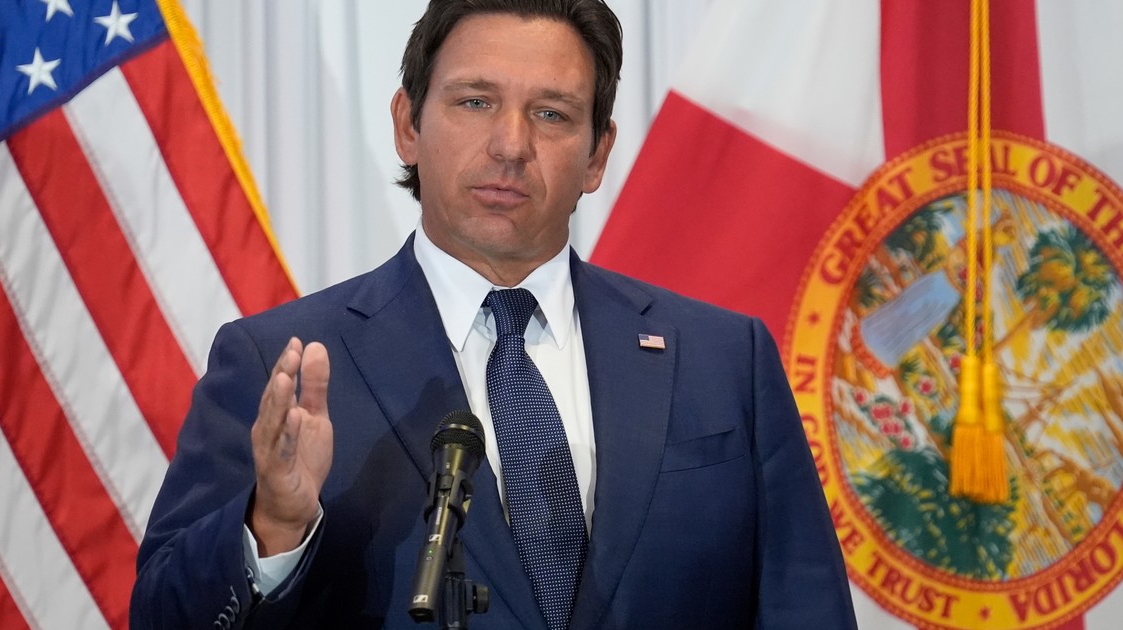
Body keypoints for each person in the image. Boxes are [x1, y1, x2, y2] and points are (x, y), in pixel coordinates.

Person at [129, 0, 857, 628]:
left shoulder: (725, 360)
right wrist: (272, 526)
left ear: (597, 155)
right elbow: (163, 616)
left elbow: (806, 608)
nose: (511, 145)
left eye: (551, 113)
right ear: (408, 125)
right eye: (475, 102)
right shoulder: (278, 365)